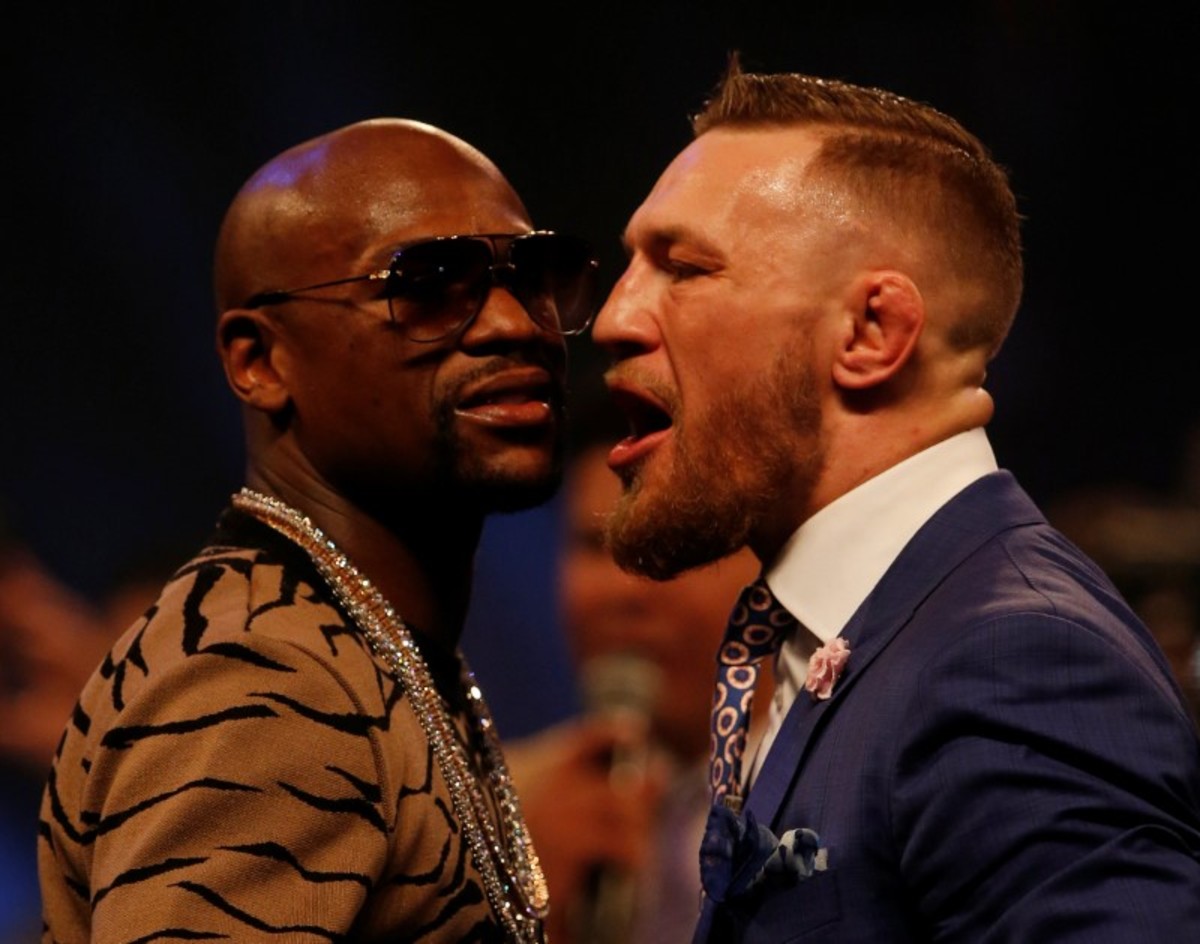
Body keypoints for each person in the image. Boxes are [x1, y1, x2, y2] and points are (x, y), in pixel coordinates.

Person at [590, 56, 1200, 942]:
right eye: (631, 266)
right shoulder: (879, 630)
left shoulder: (1014, 659)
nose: (615, 317)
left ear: (872, 332)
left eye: (682, 267)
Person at [38, 117, 600, 943]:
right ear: (260, 362)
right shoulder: (260, 680)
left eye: (533, 276)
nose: (513, 323)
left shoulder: (350, 647)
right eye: (428, 284)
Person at [506, 399, 764, 944]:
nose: (623, 592)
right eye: (593, 546)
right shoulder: (501, 810)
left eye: (668, 548)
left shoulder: (844, 797)